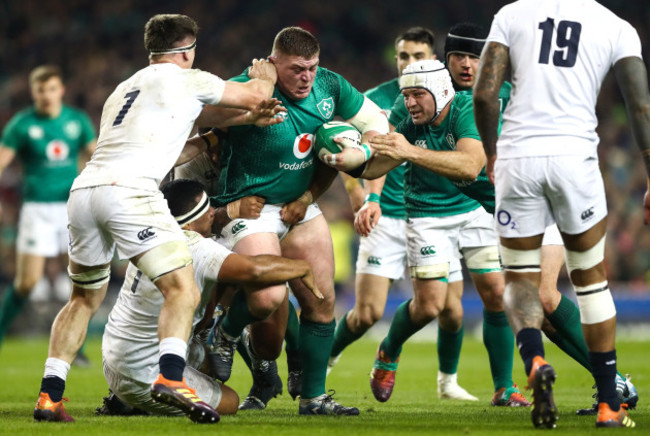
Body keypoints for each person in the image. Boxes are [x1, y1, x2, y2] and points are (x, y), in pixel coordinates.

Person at [33, 13, 284, 423]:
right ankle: (170, 376)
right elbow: (256, 95)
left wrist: (236, 123)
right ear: (187, 51)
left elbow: (184, 127)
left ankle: (50, 395)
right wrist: (266, 78)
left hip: (85, 191)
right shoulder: (189, 78)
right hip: (129, 192)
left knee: (82, 298)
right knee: (182, 289)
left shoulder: (123, 89)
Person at [473, 0, 650, 428]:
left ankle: (534, 360)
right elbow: (640, 105)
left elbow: (483, 92)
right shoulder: (615, 25)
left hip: (519, 157)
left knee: (519, 278)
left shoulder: (512, 14)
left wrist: (493, 154)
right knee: (591, 281)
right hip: (575, 160)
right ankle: (609, 401)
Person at [208, 26, 388, 416]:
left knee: (322, 302)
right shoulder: (246, 85)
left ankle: (314, 398)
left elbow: (377, 122)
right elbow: (201, 115)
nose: (306, 77)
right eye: (296, 69)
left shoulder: (329, 85)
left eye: (312, 67)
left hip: (301, 208)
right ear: (274, 64)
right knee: (269, 302)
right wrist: (256, 95)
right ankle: (223, 331)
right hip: (249, 209)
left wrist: (363, 149)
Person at [327, 26, 480, 402]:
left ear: (434, 63)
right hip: (391, 213)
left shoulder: (454, 103)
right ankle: (325, 358)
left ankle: (447, 382)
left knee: (451, 310)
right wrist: (365, 197)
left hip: (439, 212)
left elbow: (463, 161)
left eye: (418, 57)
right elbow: (370, 158)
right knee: (366, 313)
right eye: (403, 57)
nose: (409, 63)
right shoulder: (376, 101)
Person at [101, 178, 319, 417]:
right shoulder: (195, 247)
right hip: (144, 373)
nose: (212, 213)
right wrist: (302, 268)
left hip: (114, 358)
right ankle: (139, 402)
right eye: (206, 209)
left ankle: (124, 397)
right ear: (189, 224)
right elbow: (254, 269)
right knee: (231, 401)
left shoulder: (152, 237)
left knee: (206, 357)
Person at [0, 65, 96, 356]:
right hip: (36, 209)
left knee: (80, 279)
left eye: (52, 89)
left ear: (61, 90)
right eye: (41, 90)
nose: (47, 95)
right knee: (27, 282)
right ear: (34, 92)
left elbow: (95, 155)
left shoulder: (77, 121)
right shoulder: (22, 124)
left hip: (70, 207)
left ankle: (75, 345)